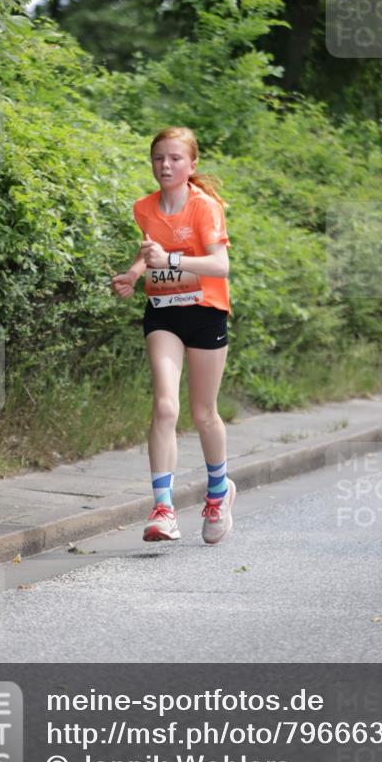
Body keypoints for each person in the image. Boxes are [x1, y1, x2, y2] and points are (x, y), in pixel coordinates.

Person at [111, 126, 236, 545]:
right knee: (165, 406)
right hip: (162, 312)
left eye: (175, 159)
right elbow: (151, 251)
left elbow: (220, 267)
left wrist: (173, 259)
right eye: (158, 158)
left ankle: (218, 493)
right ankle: (162, 508)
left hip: (204, 312)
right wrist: (133, 273)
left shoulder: (205, 208)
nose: (165, 165)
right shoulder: (144, 208)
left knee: (203, 413)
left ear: (192, 165)